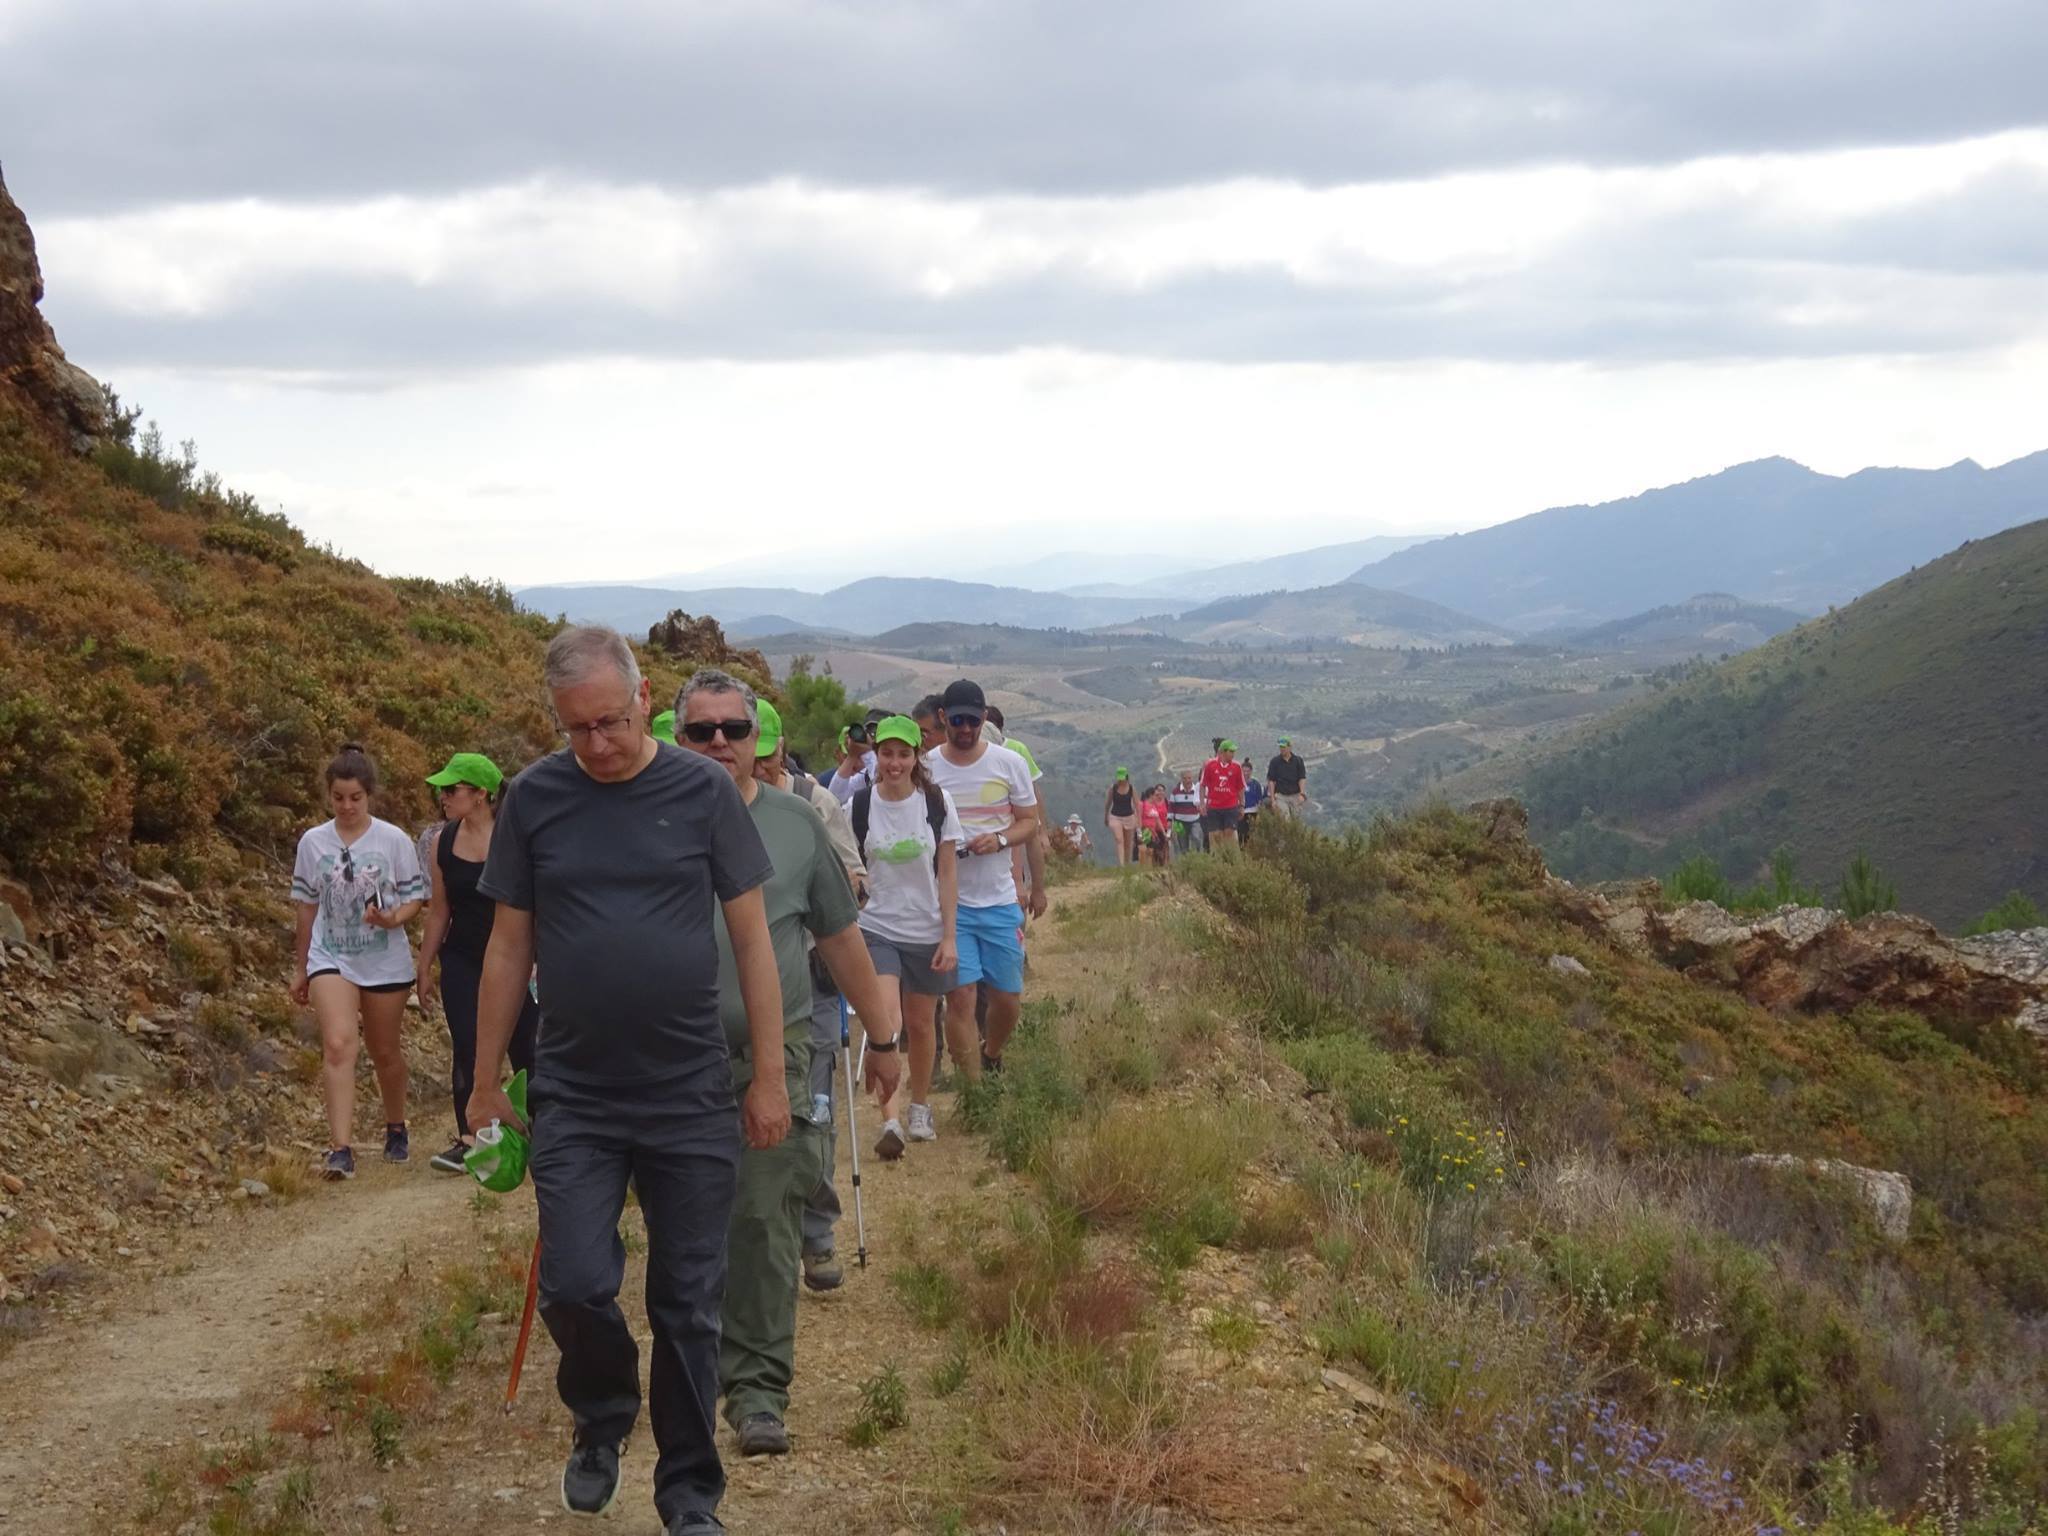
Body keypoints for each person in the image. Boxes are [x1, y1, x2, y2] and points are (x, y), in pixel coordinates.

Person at [467, 626, 787, 1535]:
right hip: (576, 1092)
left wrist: (767, 1076)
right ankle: (603, 1414)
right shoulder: (536, 798)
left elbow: (754, 940)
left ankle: (689, 1497)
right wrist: (484, 1080)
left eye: (611, 721)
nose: (599, 743)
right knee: (573, 1283)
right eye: (578, 729)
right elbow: (508, 947)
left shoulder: (702, 791)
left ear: (645, 700)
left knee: (687, 1305)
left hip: (689, 1090)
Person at [676, 670, 902, 1461]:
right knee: (686, 1230)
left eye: (733, 729)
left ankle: (757, 1392)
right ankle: (687, 1370)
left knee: (765, 1220)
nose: (719, 743)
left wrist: (883, 1040)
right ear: (676, 738)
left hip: (777, 1054)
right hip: (665, 1064)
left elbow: (840, 939)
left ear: (757, 739)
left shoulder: (797, 825)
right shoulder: (644, 821)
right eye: (700, 731)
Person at [750, 700, 865, 1295]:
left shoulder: (814, 804)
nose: (756, 766)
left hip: (810, 985)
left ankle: (816, 1236)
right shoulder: (701, 805)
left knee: (811, 1113)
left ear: (779, 747)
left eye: (764, 754)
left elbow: (855, 883)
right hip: (727, 998)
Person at [290, 743, 428, 1181]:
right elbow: (306, 907)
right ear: (328, 796)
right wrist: (301, 967)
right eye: (339, 798)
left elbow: (415, 898)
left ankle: (396, 1125)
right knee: (338, 1044)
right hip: (331, 954)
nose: (347, 806)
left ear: (369, 795)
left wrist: (392, 918)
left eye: (355, 797)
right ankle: (341, 1148)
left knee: (385, 1051)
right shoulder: (313, 842)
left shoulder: (393, 840)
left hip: (384, 959)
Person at [415, 752, 539, 1174]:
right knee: (467, 1045)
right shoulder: (442, 842)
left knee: (527, 1046)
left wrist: (539, 959)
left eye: (452, 789)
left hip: (517, 959)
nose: (443, 797)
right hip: (463, 959)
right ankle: (471, 1139)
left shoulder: (515, 838)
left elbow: (537, 903)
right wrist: (425, 965)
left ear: (481, 794)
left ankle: (541, 1131)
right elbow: (439, 910)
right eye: (442, 790)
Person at [854, 715, 963, 1156]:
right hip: (875, 927)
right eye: (887, 753)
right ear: (876, 755)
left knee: (921, 1024)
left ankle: (919, 1105)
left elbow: (948, 873)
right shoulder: (859, 806)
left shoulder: (936, 803)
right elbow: (849, 863)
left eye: (903, 754)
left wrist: (949, 936)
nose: (894, 763)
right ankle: (891, 1121)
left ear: (917, 757)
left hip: (925, 928)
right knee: (886, 1019)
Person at [925, 679, 1038, 1077]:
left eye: (973, 721)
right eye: (957, 721)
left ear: (985, 718)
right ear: (943, 717)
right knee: (961, 997)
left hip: (998, 898)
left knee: (1007, 998)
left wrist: (1000, 839)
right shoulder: (927, 768)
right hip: (950, 906)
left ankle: (991, 1053)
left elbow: (1029, 821)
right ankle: (973, 1090)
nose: (966, 729)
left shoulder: (1010, 764)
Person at [1199, 739, 1248, 852]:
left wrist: (1242, 805)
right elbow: (1202, 785)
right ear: (1222, 752)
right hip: (1214, 806)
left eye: (1233, 751)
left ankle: (1231, 857)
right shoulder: (1210, 765)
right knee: (1216, 835)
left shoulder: (1236, 766)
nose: (1233, 754)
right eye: (1231, 751)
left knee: (1229, 833)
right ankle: (1218, 857)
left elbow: (1240, 787)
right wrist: (1202, 804)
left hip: (1230, 806)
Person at [1103, 767, 1139, 865]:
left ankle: (1127, 863)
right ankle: (1121, 864)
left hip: (1129, 817)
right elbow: (1108, 803)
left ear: (1126, 777)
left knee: (1128, 843)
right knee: (1119, 839)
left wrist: (1138, 820)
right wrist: (1106, 816)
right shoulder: (1113, 788)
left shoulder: (1131, 789)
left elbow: (1137, 805)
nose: (1121, 780)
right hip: (1115, 816)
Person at [1266, 736, 1308, 819]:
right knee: (1285, 818)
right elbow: (1271, 781)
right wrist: (1273, 800)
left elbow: (1302, 778)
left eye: (1284, 747)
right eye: (1281, 747)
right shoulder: (1275, 762)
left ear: (1289, 747)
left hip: (1295, 795)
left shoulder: (1298, 761)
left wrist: (1302, 794)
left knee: (1296, 820)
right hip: (1281, 796)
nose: (1282, 749)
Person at [1167, 769, 1204, 855]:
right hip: (1179, 822)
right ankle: (1186, 861)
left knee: (1196, 837)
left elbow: (1202, 803)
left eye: (1189, 778)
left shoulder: (1197, 791)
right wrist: (1169, 820)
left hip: (1195, 820)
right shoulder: (1175, 792)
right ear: (1181, 779)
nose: (1187, 780)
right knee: (1183, 846)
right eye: (1185, 778)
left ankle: (1197, 856)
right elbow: (1171, 807)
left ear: (1192, 778)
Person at [1138, 784, 1174, 867]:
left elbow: (1158, 820)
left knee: (1152, 851)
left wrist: (1165, 833)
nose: (1157, 796)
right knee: (1145, 851)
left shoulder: (1153, 806)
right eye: (1155, 795)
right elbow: (1138, 819)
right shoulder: (1142, 804)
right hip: (1145, 831)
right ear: (1151, 795)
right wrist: (1139, 833)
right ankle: (1145, 868)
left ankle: (1153, 868)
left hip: (1153, 833)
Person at [1240, 770, 1265, 844]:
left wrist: (1260, 814)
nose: (1246, 773)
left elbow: (1259, 800)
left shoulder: (1255, 784)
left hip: (1252, 811)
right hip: (1241, 812)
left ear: (1251, 772)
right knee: (1241, 833)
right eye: (1244, 771)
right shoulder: (1237, 783)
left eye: (1248, 771)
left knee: (1251, 832)